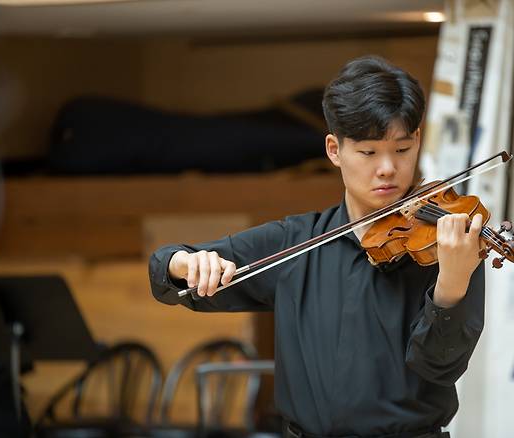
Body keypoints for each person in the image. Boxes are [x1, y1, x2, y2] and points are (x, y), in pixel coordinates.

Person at [149, 55, 485, 438]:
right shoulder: (297, 241)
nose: (388, 168)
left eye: (402, 149)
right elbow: (164, 269)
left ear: (419, 141)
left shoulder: (450, 241)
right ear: (334, 150)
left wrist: (451, 288)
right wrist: (184, 263)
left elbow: (440, 367)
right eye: (369, 152)